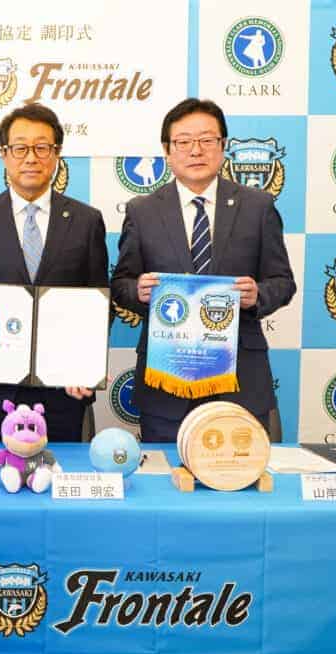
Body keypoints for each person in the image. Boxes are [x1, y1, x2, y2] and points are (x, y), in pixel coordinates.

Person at [111, 98, 296, 442]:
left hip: (239, 379)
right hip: (167, 378)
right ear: (167, 151)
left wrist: (258, 295)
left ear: (223, 146)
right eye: (183, 141)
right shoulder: (142, 211)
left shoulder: (258, 206)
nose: (196, 150)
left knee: (240, 471)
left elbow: (283, 282)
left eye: (207, 140)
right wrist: (137, 290)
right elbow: (121, 283)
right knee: (167, 472)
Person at [0, 103, 108, 442]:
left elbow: (98, 303)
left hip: (63, 390)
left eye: (42, 147)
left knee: (58, 472)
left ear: (57, 153)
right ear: (4, 154)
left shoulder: (86, 221)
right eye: (20, 148)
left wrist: (83, 365)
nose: (31, 158)